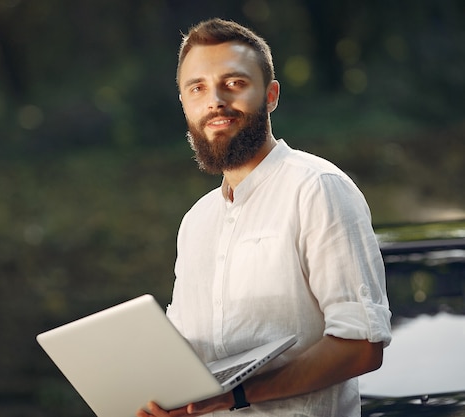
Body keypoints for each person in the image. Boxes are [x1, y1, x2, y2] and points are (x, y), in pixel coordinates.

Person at [136, 18, 392, 417]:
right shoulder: (196, 222)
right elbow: (188, 356)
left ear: (270, 95)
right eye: (197, 88)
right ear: (185, 103)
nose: (215, 100)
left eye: (234, 83)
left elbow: (361, 345)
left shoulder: (317, 188)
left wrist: (236, 395)